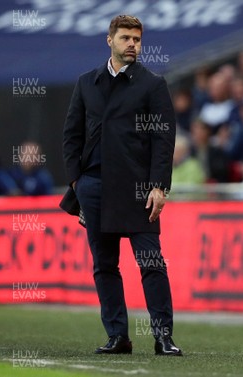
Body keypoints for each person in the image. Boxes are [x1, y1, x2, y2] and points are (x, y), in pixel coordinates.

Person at [62, 15, 182, 356]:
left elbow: (164, 139)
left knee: (152, 264)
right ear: (110, 40)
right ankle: (118, 337)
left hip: (139, 192)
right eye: (126, 38)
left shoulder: (153, 84)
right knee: (104, 266)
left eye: (138, 39)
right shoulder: (87, 83)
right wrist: (77, 181)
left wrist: (159, 186)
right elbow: (71, 135)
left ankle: (163, 337)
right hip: (94, 187)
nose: (133, 44)